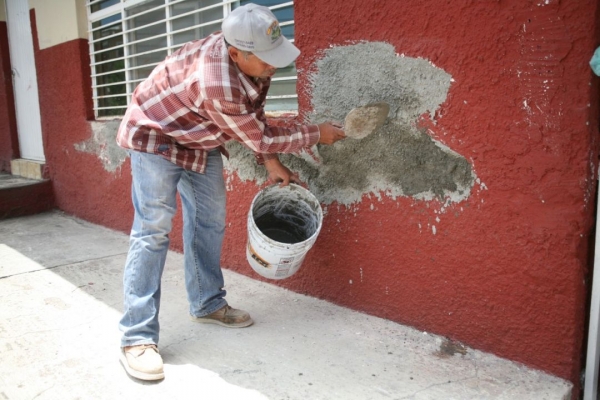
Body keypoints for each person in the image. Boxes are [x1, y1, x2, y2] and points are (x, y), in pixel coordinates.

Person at [115, 3, 345, 381]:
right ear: (236, 53)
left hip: (198, 136)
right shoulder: (216, 81)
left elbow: (252, 119)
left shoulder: (256, 61)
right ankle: (136, 338)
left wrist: (269, 161)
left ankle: (206, 302)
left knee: (210, 220)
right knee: (153, 231)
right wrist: (317, 133)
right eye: (266, 59)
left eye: (277, 54)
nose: (275, 65)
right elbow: (261, 132)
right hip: (153, 134)